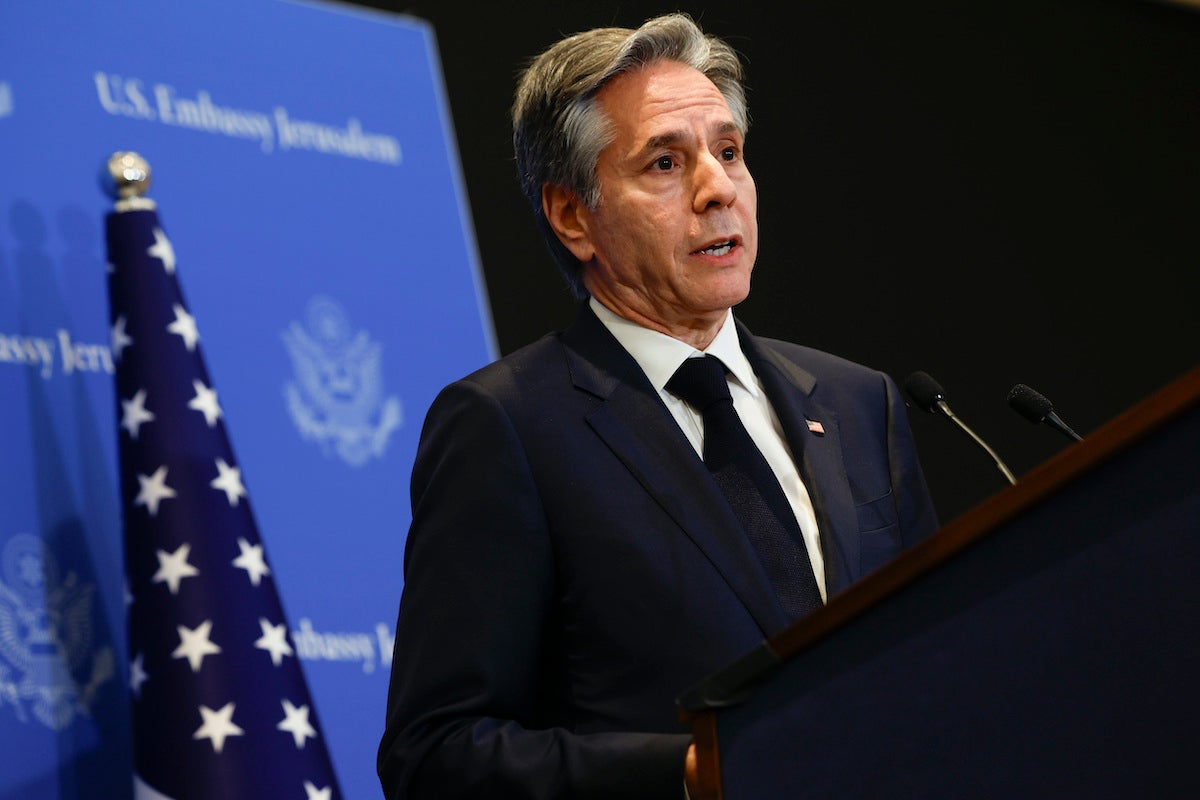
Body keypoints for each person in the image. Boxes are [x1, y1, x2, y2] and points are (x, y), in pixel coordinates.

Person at [377, 12, 939, 799]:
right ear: (574, 215)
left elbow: (941, 662)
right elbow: (436, 752)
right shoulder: (508, 426)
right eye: (667, 163)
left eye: (730, 152)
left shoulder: (859, 404)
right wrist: (690, 771)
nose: (717, 189)